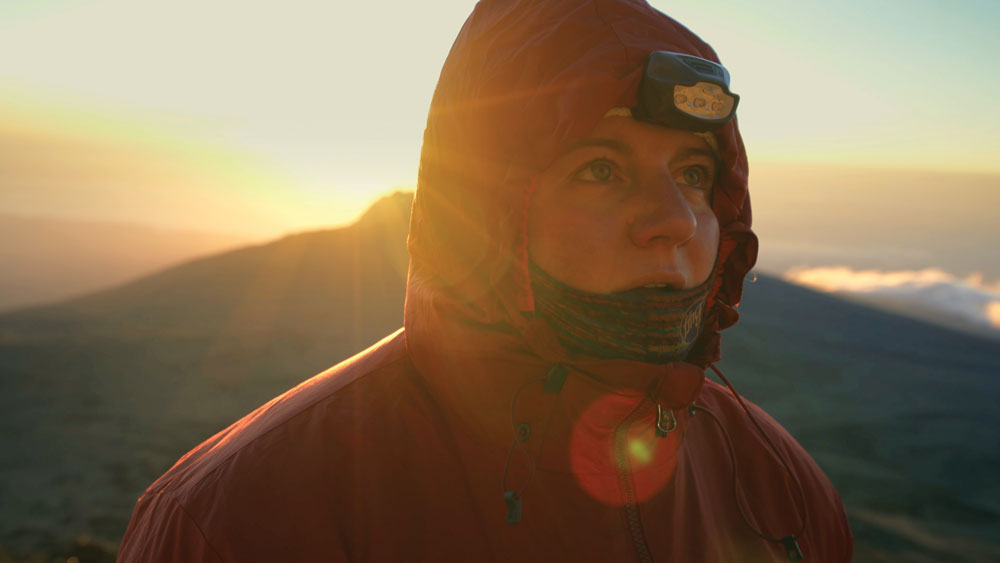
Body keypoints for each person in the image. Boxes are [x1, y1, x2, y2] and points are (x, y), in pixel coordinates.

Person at [120, 0, 853, 561]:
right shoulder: (243, 518)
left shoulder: (776, 487)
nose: (673, 221)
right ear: (485, 216)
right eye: (600, 168)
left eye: (695, 175)